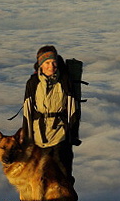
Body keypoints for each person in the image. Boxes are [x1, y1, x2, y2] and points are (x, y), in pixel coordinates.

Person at [21, 45, 80, 185]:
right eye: (47, 63)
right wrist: (27, 139)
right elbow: (27, 112)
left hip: (61, 134)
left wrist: (72, 134)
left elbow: (72, 109)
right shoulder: (33, 83)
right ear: (40, 65)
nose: (51, 66)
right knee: (41, 174)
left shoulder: (64, 81)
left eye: (53, 62)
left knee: (63, 173)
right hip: (39, 136)